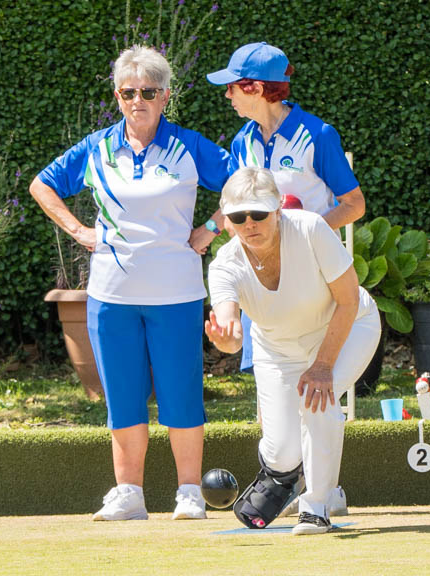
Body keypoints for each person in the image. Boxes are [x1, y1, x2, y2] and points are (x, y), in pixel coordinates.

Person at [30, 45, 230, 522]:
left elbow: (246, 184)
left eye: (148, 91)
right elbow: (42, 184)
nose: (137, 100)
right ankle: (129, 494)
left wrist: (212, 228)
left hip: (176, 294)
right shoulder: (96, 146)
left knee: (182, 393)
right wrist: (79, 231)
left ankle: (188, 493)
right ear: (117, 96)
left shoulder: (190, 146)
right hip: (111, 298)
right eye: (128, 92)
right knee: (122, 395)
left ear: (165, 96)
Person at [207, 42, 366, 515]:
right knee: (272, 386)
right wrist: (211, 230)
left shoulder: (318, 134)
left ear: (256, 88)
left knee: (317, 393)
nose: (229, 97)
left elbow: (354, 203)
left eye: (233, 88)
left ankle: (324, 490)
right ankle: (291, 477)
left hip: (315, 281)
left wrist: (306, 235)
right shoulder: (242, 142)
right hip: (265, 286)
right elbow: (240, 202)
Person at [205, 167, 380, 535]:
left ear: (278, 210)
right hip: (278, 351)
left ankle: (316, 506)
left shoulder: (311, 228)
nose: (249, 223)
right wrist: (227, 340)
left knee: (318, 397)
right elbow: (231, 327)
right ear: (228, 221)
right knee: (283, 453)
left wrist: (323, 366)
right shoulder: (224, 265)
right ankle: (284, 475)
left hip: (349, 328)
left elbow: (347, 301)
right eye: (238, 217)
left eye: (259, 214)